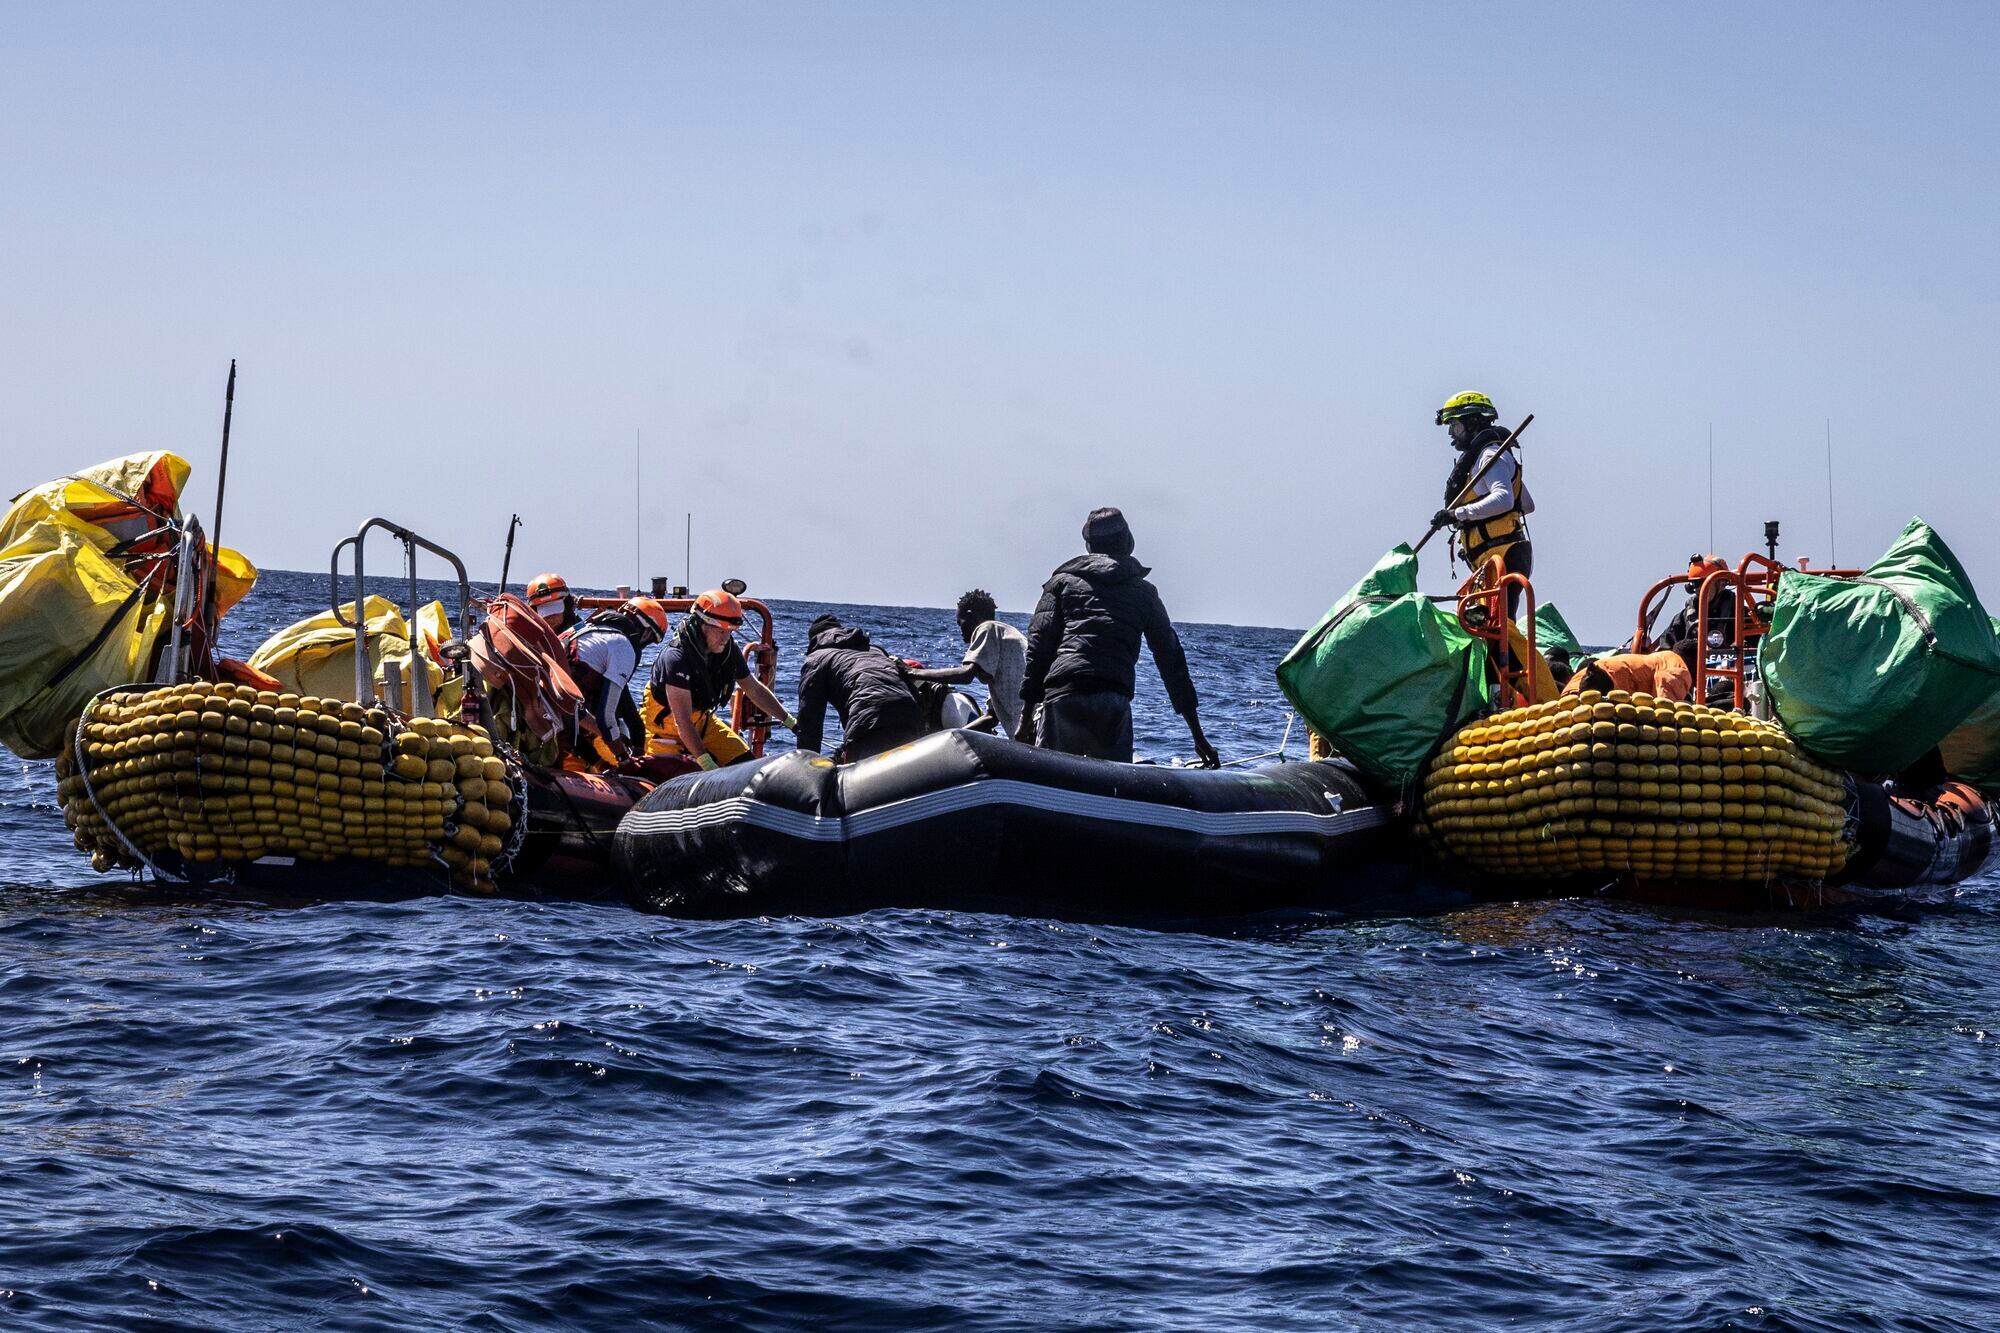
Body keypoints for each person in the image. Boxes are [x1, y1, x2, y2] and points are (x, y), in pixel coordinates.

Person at [1018, 507, 1219, 767]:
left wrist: (1025, 718)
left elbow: (1038, 650)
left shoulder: (1061, 583)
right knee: (1108, 792)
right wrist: (1198, 736)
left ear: (1089, 546)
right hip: (1112, 701)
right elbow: (1172, 663)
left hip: (1063, 696)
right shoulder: (1145, 592)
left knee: (1051, 785)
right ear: (1127, 542)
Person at [646, 588, 796, 770]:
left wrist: (790, 721)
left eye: (731, 631)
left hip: (702, 722)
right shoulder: (676, 658)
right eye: (720, 631)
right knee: (667, 777)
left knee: (749, 768)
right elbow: (682, 721)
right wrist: (707, 764)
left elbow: (754, 689)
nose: (726, 638)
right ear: (701, 625)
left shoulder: (728, 651)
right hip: (664, 730)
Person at [1428, 391, 1534, 618]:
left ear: (1472, 422)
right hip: (1493, 558)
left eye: (1454, 426)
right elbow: (1525, 504)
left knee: (1498, 629)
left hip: (1503, 555)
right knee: (1489, 627)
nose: (1450, 433)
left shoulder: (1490, 456)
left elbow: (1504, 499)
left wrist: (1459, 514)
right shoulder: (1487, 458)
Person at [796, 614, 929, 762]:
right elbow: (907, 687)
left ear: (814, 640)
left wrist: (806, 765)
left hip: (869, 720)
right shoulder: (875, 650)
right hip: (911, 714)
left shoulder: (816, 658)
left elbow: (809, 721)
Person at [904, 589, 1028, 737]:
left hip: (1032, 722)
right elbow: (992, 717)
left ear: (970, 616)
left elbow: (966, 675)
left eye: (959, 623)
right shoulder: (1006, 637)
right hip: (1034, 723)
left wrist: (913, 672)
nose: (960, 630)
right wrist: (951, 737)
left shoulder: (987, 628)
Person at [562, 595, 669, 762]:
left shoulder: (585, 629)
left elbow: (627, 710)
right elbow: (606, 717)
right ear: (645, 631)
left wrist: (636, 741)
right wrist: (623, 757)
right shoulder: (623, 647)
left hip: (551, 707)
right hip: (561, 715)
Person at [1561, 640, 1697, 702]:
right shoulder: (1680, 667)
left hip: (1574, 688)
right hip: (1598, 685)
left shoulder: (1661, 659)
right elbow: (1664, 706)